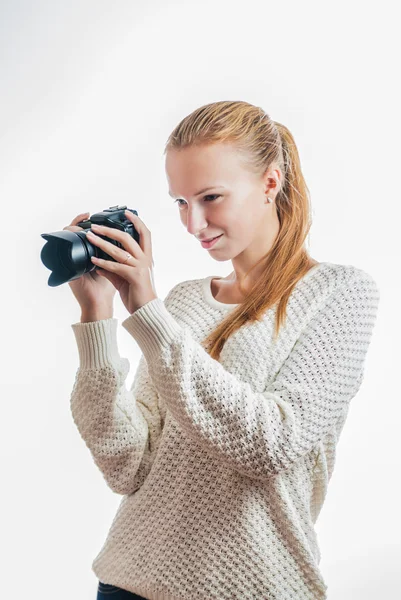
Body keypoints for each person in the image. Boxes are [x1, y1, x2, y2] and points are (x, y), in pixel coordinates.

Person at [67, 101, 380, 600]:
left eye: (210, 197)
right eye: (180, 202)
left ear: (270, 183)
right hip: (128, 580)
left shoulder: (340, 294)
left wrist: (148, 312)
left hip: (250, 587)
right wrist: (98, 314)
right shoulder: (184, 301)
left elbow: (273, 445)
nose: (193, 224)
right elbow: (128, 464)